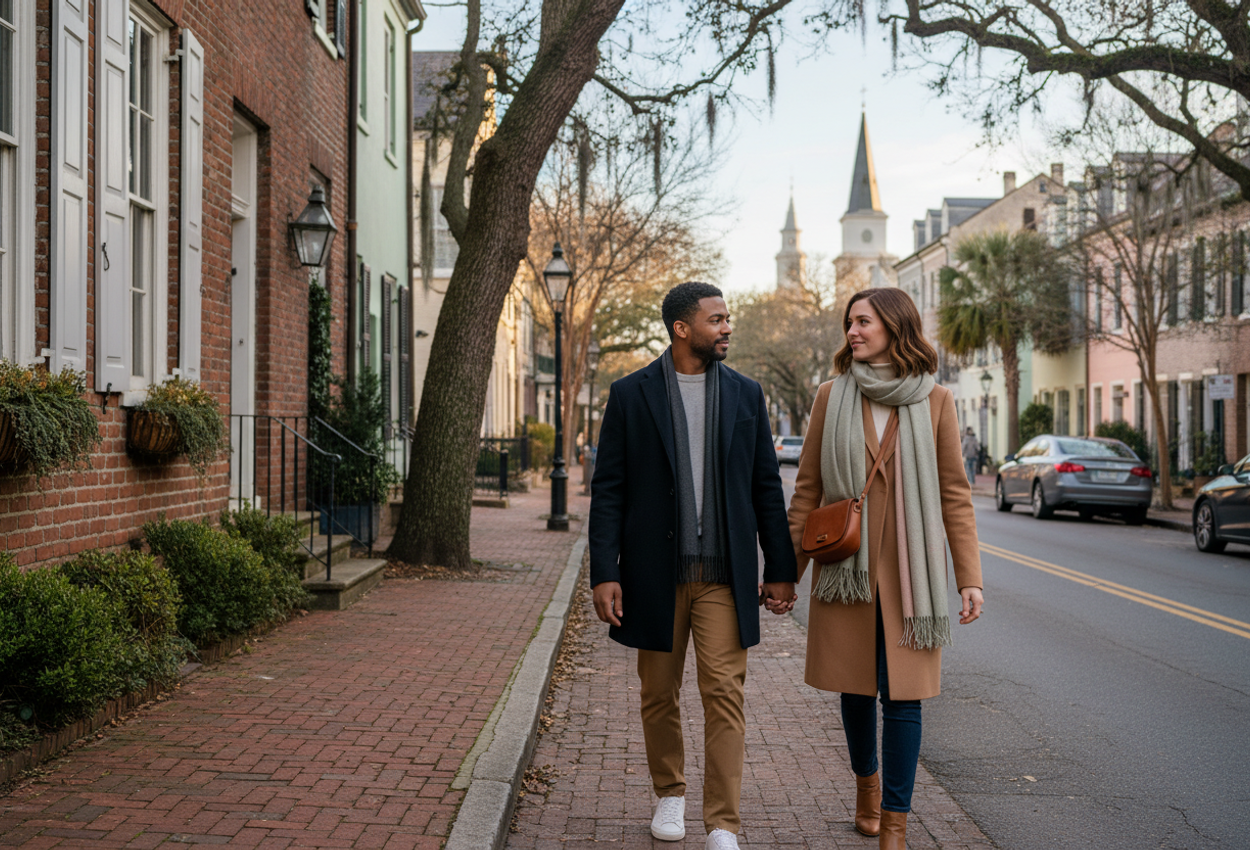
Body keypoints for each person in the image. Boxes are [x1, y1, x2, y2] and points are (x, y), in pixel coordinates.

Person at [589, 281, 797, 850]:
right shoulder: (631, 395)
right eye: (716, 319)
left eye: (727, 318)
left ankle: (723, 823)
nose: (727, 327)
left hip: (723, 578)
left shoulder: (746, 394)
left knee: (724, 693)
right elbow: (609, 489)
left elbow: (764, 489)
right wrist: (604, 571)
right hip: (653, 574)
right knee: (658, 693)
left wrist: (781, 567)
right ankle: (670, 794)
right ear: (682, 328)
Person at [785, 287, 983, 850]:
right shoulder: (831, 395)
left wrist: (969, 577)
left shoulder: (936, 400)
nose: (853, 331)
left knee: (903, 697)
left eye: (864, 321)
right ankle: (866, 785)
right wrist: (786, 573)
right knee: (854, 688)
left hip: (909, 573)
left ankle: (895, 823)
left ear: (896, 328)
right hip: (845, 568)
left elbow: (954, 494)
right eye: (849, 322)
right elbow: (808, 493)